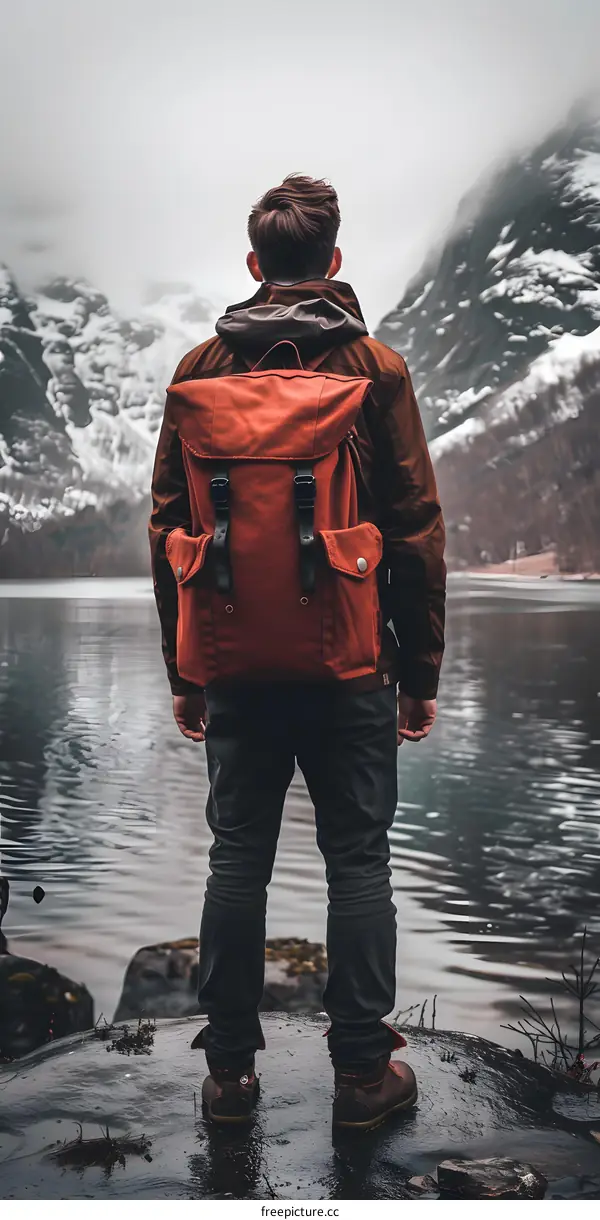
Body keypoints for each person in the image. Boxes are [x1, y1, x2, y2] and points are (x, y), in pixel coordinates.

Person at [148, 174, 446, 1130]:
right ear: (335, 262)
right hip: (354, 659)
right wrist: (420, 674)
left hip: (232, 657)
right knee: (359, 858)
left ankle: (228, 1077)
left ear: (252, 266)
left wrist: (187, 673)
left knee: (238, 856)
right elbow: (414, 530)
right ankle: (363, 1075)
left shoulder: (199, 368)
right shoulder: (377, 366)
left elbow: (166, 529)